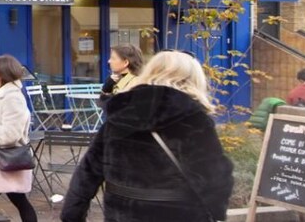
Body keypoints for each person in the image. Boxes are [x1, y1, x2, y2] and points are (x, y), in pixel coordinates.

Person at [61, 51, 234, 222]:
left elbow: (88, 172)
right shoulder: (194, 120)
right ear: (193, 78)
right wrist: (217, 213)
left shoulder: (120, 115)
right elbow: (215, 177)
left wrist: (72, 215)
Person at [0, 55, 37, 222]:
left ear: (2, 73)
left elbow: (11, 134)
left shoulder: (12, 97)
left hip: (7, 158)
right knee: (16, 200)